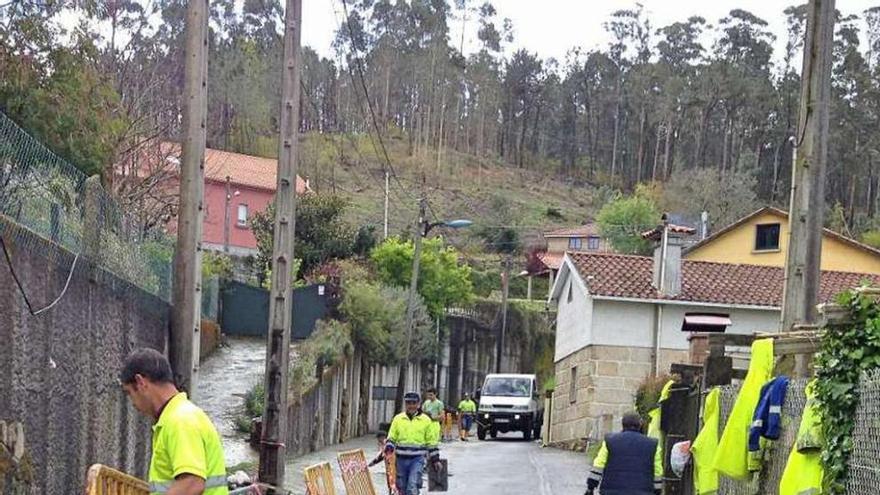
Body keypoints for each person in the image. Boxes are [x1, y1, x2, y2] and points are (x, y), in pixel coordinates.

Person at [120, 348, 228, 495]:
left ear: (140, 382)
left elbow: (192, 483)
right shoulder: (180, 415)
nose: (132, 403)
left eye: (129, 393)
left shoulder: (180, 420)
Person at [586, 413, 663, 495]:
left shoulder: (610, 441)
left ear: (623, 424)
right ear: (640, 425)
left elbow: (599, 465)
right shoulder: (653, 445)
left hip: (611, 491)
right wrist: (657, 490)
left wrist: (590, 487)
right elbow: (657, 471)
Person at [386, 392, 440, 495]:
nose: (411, 406)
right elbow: (391, 437)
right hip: (400, 459)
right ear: (405, 404)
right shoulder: (398, 419)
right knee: (401, 488)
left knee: (412, 486)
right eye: (408, 403)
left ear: (419, 404)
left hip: (417, 459)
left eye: (414, 403)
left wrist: (435, 459)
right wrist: (389, 448)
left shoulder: (426, 420)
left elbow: (431, 442)